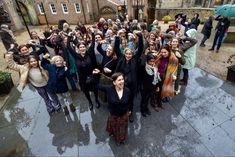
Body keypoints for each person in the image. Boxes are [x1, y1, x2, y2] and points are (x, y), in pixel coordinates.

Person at [93, 71, 131, 146]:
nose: (122, 81)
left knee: (123, 128)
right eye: (119, 80)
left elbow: (129, 102)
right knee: (116, 128)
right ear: (114, 82)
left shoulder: (127, 91)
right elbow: (96, 85)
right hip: (114, 115)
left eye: (122, 79)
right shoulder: (109, 89)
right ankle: (117, 139)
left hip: (123, 115)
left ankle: (122, 138)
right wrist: (94, 75)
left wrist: (129, 111)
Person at [152, 45, 178, 110]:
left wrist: (174, 75)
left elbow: (174, 69)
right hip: (157, 77)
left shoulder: (173, 59)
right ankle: (154, 103)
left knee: (162, 90)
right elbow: (154, 64)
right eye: (162, 52)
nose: (163, 54)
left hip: (165, 78)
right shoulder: (159, 56)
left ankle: (159, 101)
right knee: (156, 91)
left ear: (169, 51)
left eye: (165, 52)